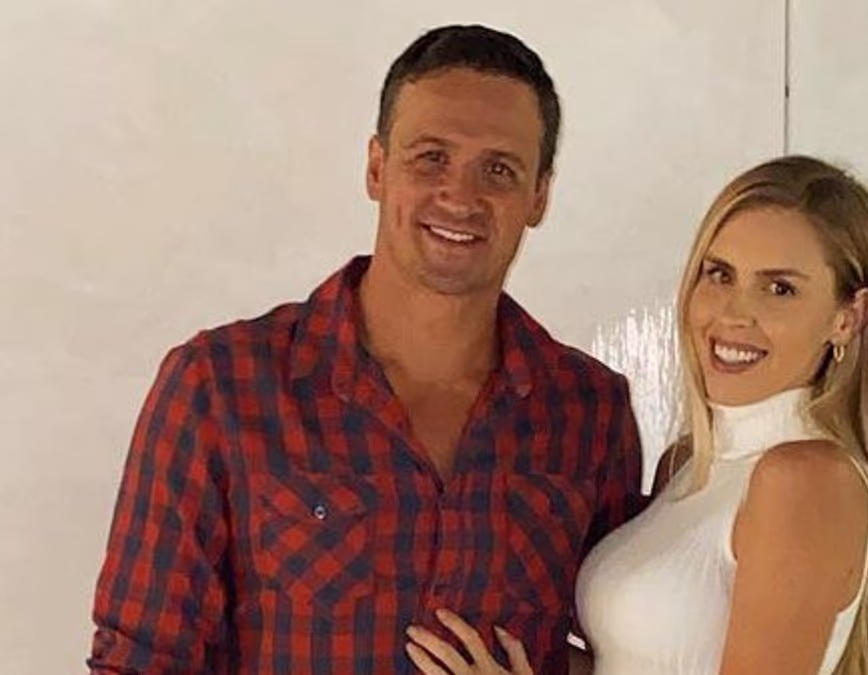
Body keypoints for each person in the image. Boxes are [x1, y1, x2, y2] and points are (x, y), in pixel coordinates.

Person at [87, 24, 645, 675]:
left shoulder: (589, 412)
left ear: (539, 196)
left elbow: (625, 653)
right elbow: (138, 662)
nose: (460, 196)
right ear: (377, 167)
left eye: (499, 169)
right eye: (431, 157)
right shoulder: (220, 387)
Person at [405, 155, 868, 675]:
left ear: (848, 317)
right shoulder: (686, 464)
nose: (733, 313)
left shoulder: (805, 480)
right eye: (719, 274)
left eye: (779, 289)